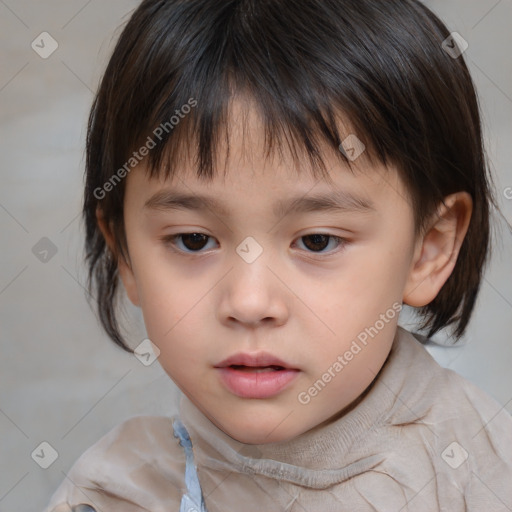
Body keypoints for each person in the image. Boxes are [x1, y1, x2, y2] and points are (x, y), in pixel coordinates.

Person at [44, 0, 512, 510]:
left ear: (428, 249)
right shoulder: (115, 492)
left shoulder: (480, 474)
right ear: (126, 255)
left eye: (316, 241)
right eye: (194, 240)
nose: (249, 302)